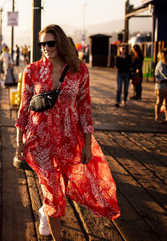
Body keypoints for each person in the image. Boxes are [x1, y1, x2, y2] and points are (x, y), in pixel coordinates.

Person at [15, 24, 120, 241]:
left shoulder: (79, 71)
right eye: (42, 43)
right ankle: (57, 237)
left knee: (60, 189)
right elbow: (24, 107)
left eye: (50, 43)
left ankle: (46, 210)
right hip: (39, 140)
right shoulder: (32, 70)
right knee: (54, 193)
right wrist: (19, 140)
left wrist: (88, 144)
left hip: (69, 139)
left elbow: (85, 108)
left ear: (61, 42)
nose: (45, 47)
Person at [154, 48, 167, 123]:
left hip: (165, 85)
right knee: (159, 102)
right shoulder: (161, 64)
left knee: (166, 102)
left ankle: (166, 117)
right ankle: (157, 117)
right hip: (160, 86)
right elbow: (165, 75)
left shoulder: (164, 63)